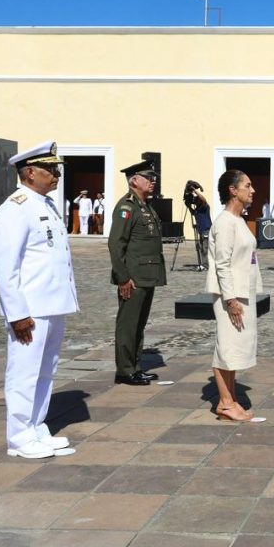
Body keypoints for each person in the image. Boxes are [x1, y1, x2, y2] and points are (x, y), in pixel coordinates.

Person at [0, 141, 78, 458]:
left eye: (57, 169)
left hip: (52, 304)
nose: (56, 174)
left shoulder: (46, 204)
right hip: (30, 308)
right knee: (24, 372)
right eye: (50, 169)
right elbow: (5, 267)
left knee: (45, 370)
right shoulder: (15, 208)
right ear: (30, 172)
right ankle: (19, 436)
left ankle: (36, 426)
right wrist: (16, 314)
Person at [207, 170, 264, 421]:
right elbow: (222, 264)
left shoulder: (239, 220)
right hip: (231, 294)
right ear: (233, 190)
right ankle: (225, 403)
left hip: (244, 290)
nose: (252, 190)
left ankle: (229, 398)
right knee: (227, 348)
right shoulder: (224, 222)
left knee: (236, 348)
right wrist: (230, 300)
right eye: (247, 185)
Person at [108, 160, 167, 386]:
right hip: (132, 278)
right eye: (148, 178)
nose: (153, 182)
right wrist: (123, 278)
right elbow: (116, 245)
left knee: (139, 325)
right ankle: (124, 370)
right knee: (128, 325)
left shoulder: (145, 206)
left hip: (146, 275)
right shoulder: (127, 207)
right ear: (134, 181)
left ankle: (134, 366)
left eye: (153, 178)